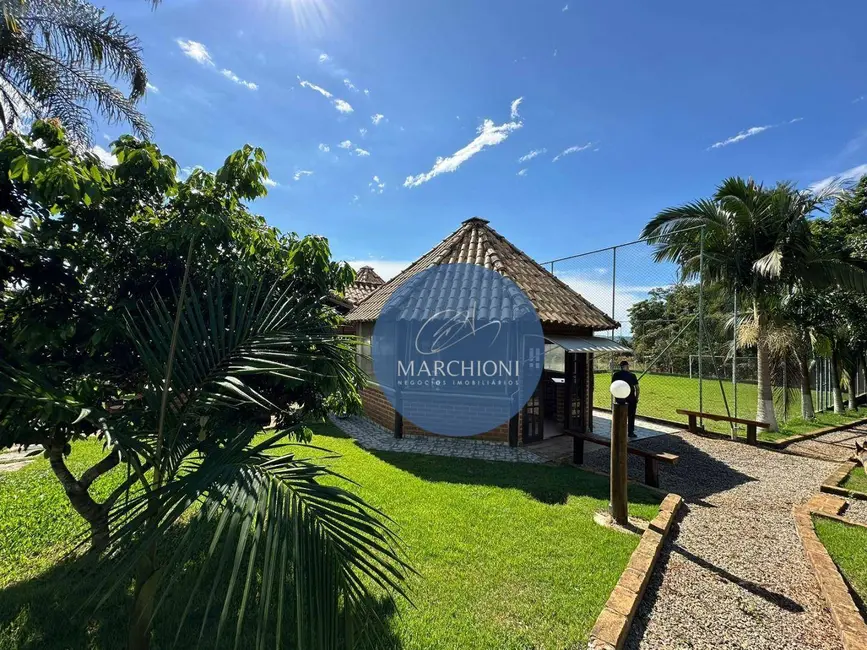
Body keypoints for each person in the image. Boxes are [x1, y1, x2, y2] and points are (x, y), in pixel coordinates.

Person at [612, 360, 639, 437]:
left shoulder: (616, 375)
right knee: (631, 415)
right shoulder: (632, 375)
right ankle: (630, 432)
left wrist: (616, 397)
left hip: (620, 398)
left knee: (619, 415)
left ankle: (618, 431)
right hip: (631, 398)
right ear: (627, 366)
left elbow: (613, 386)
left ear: (620, 367)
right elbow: (637, 388)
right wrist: (636, 398)